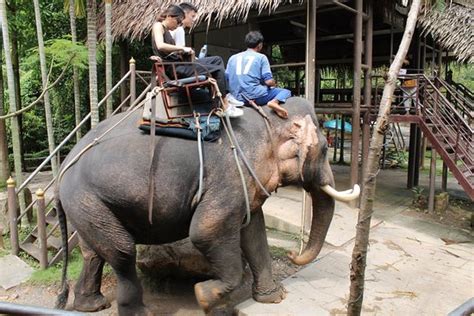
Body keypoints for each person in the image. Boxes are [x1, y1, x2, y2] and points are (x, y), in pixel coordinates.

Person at [152, 5, 239, 116]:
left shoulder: (168, 31)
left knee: (217, 60)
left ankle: (224, 97)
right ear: (169, 16)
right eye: (178, 22)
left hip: (179, 64)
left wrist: (184, 53)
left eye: (180, 23)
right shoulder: (158, 25)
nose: (178, 25)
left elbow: (169, 51)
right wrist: (182, 48)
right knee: (217, 69)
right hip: (176, 69)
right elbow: (160, 45)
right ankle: (224, 104)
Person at [226, 31, 291, 119]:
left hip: (236, 97)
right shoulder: (261, 57)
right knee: (286, 91)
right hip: (254, 96)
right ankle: (274, 102)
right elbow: (268, 81)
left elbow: (226, 78)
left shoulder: (232, 58)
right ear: (260, 45)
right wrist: (273, 84)